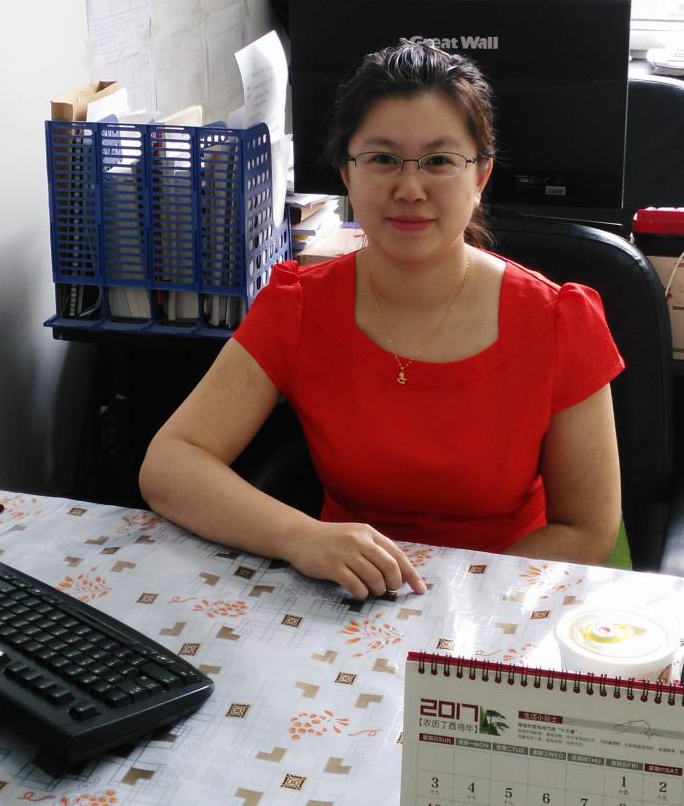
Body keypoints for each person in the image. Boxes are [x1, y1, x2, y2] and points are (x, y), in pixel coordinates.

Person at [140, 37, 624, 600]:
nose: (409, 188)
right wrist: (301, 536)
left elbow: (587, 529)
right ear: (347, 174)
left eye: (439, 161)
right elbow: (170, 463)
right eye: (382, 159)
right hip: (347, 597)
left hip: (501, 601)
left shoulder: (558, 322)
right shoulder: (298, 306)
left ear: (480, 177)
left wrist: (452, 605)